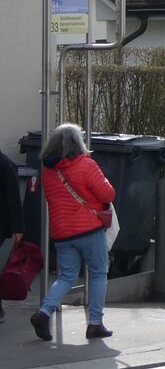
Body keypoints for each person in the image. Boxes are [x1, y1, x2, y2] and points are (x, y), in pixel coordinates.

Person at [29, 123, 116, 342]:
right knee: (98, 273)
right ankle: (95, 324)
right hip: (89, 229)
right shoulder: (86, 164)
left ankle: (44, 312)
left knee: (66, 276)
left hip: (62, 233)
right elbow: (108, 193)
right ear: (77, 142)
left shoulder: (48, 170)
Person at [0, 146, 26, 323]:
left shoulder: (5, 165)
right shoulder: (6, 165)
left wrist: (18, 227)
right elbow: (13, 198)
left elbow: (13, 198)